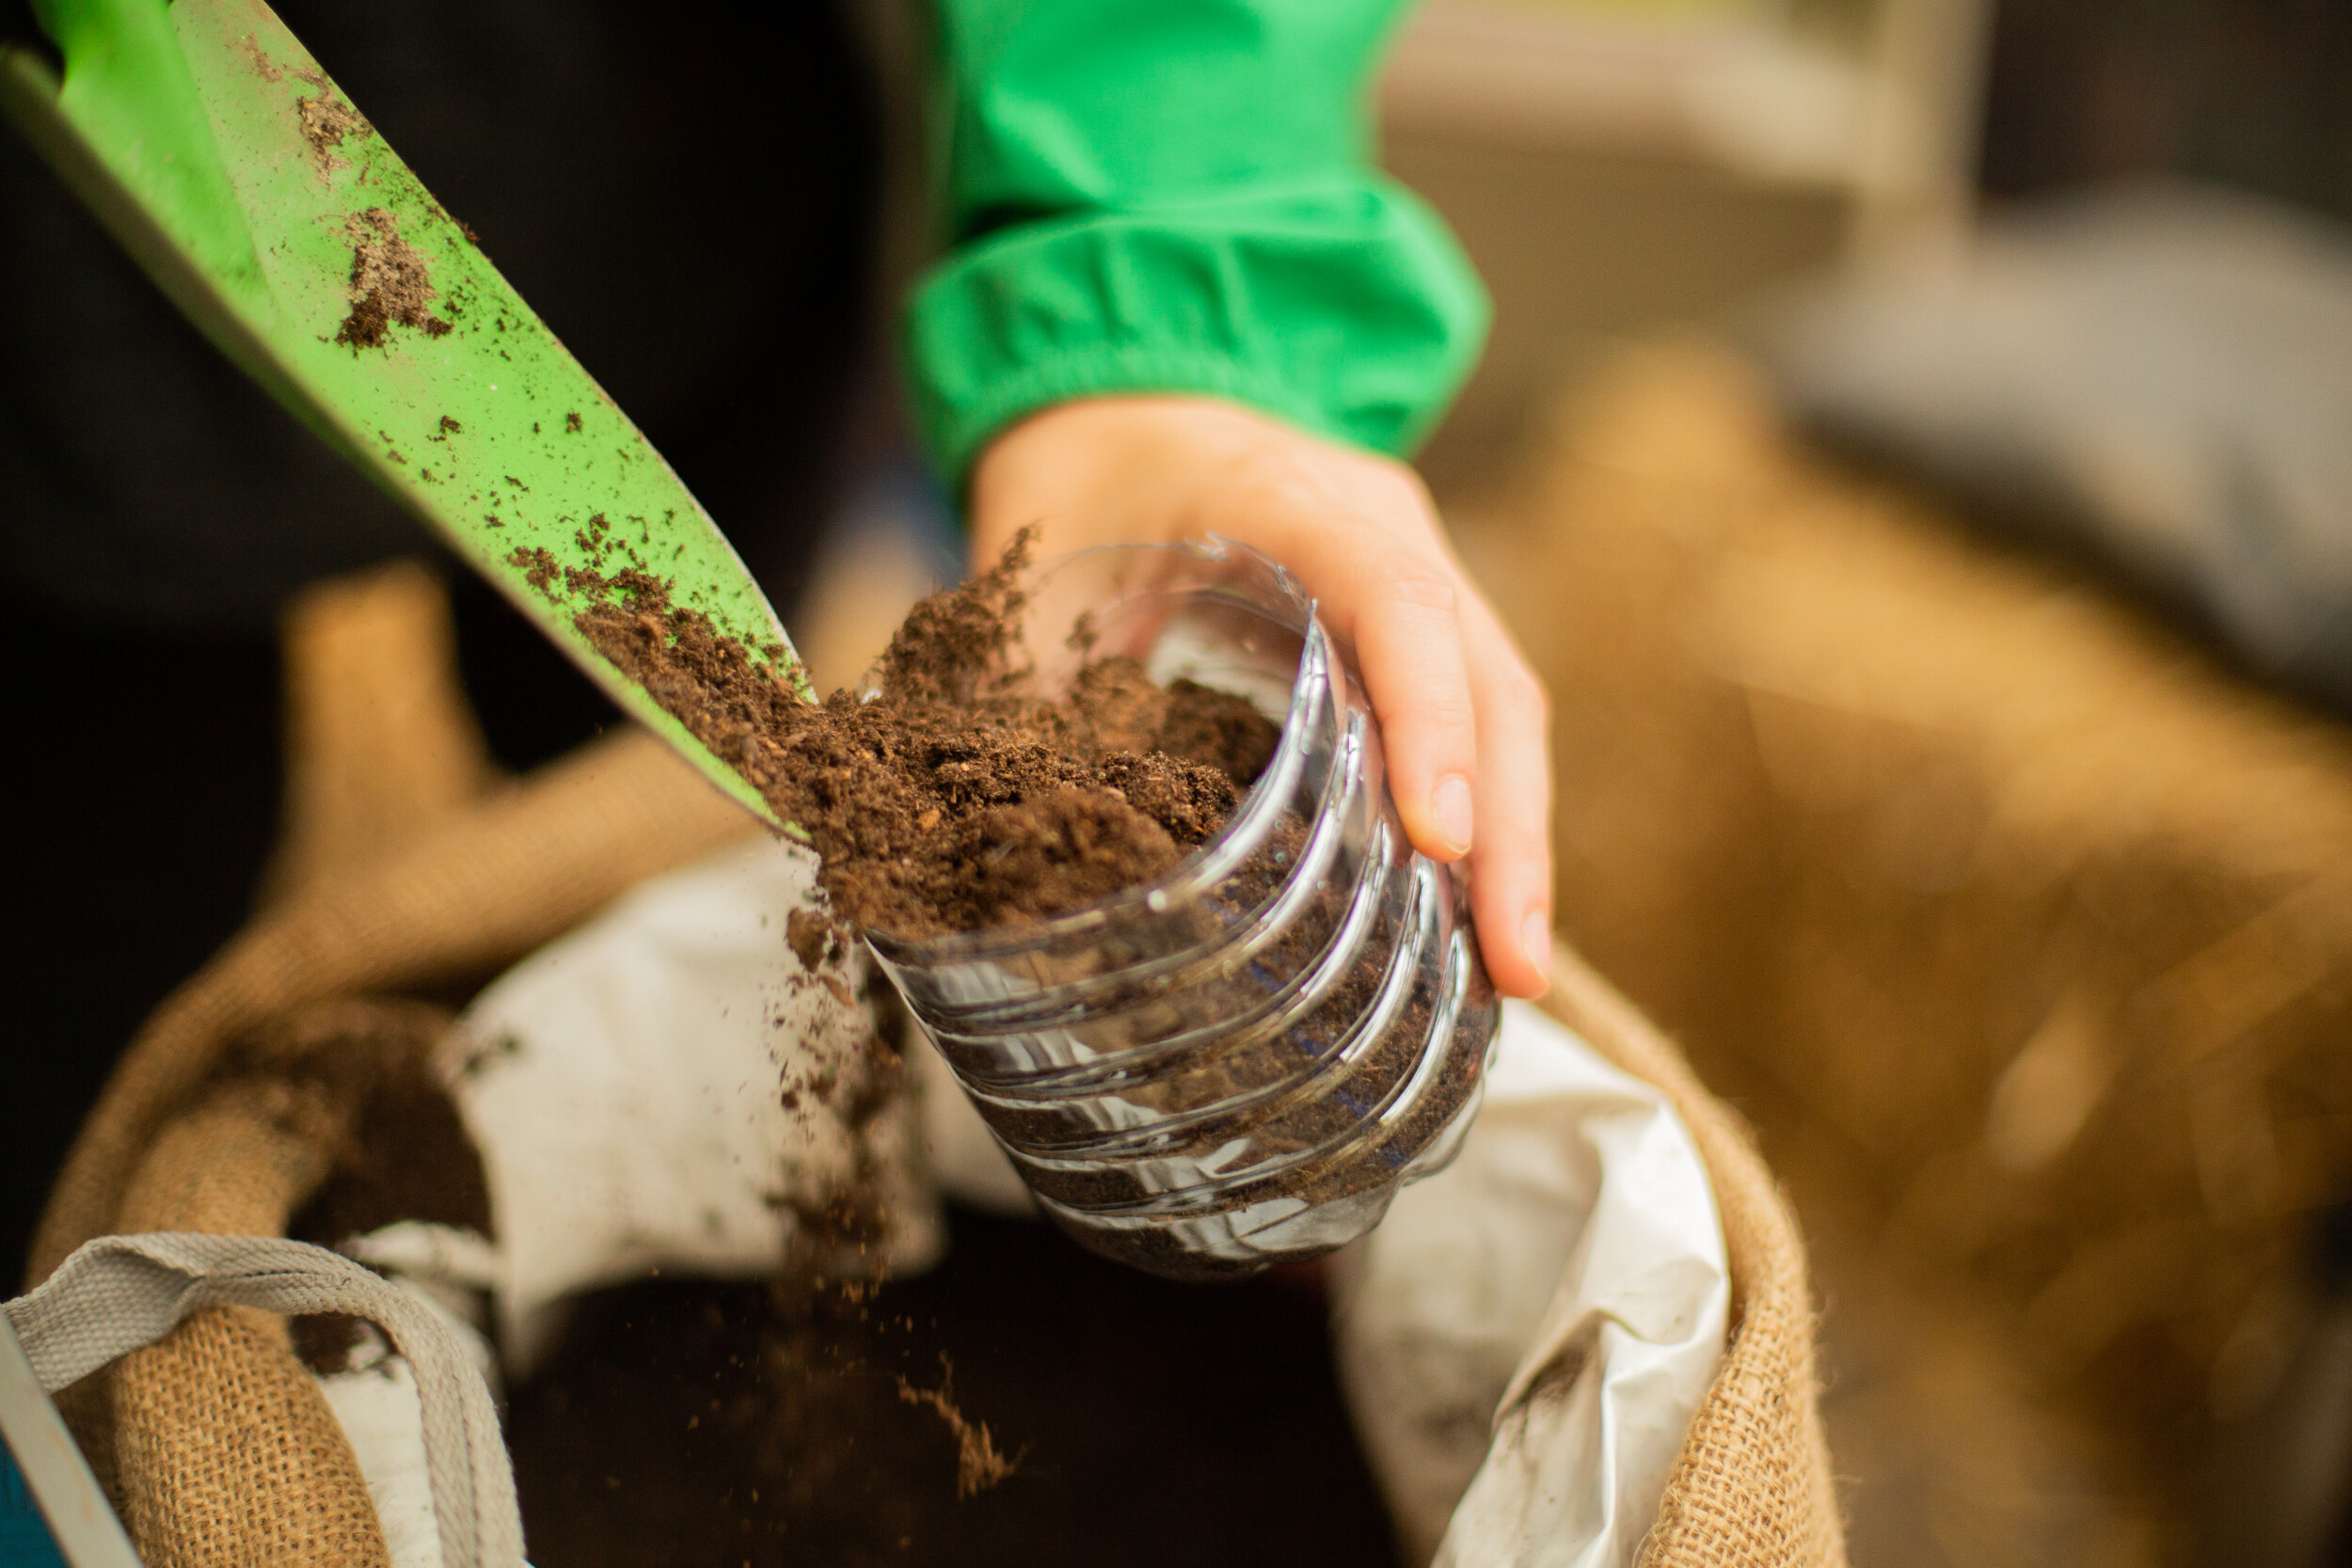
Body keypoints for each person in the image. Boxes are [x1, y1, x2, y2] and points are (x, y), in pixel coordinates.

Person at [0, 0, 1550, 1263]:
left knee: (615, 804)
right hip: (75, 351)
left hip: (665, 208)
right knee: (102, 981)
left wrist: (1157, 269)